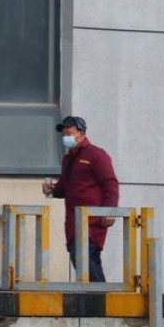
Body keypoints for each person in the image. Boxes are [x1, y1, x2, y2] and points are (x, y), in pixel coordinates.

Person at [43, 115, 119, 282]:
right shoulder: (68, 159)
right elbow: (64, 187)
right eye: (63, 135)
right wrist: (51, 190)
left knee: (85, 259)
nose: (65, 138)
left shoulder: (96, 155)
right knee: (84, 260)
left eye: (69, 133)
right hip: (73, 223)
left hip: (91, 222)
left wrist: (110, 210)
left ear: (81, 133)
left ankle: (101, 299)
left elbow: (111, 184)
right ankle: (100, 300)